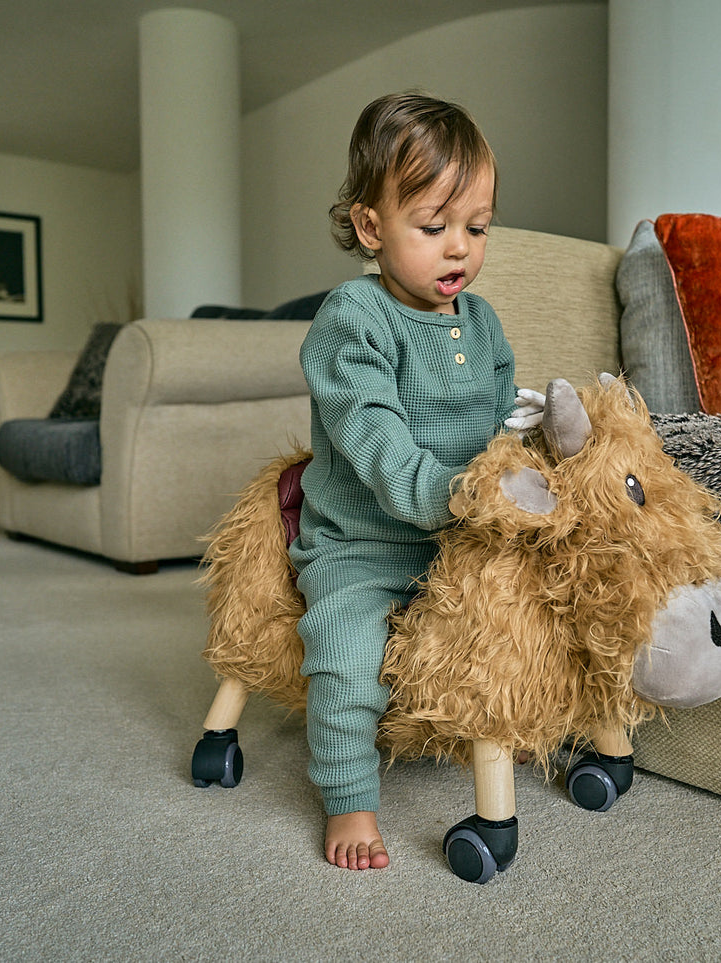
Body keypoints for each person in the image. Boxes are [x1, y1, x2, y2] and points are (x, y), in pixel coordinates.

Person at [290, 91, 543, 871]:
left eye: (476, 227)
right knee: (343, 651)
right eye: (432, 227)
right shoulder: (352, 319)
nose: (458, 248)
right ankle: (348, 795)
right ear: (371, 227)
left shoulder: (485, 323)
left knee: (553, 605)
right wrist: (458, 495)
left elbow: (503, 427)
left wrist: (526, 466)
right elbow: (377, 443)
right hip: (364, 544)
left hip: (462, 538)